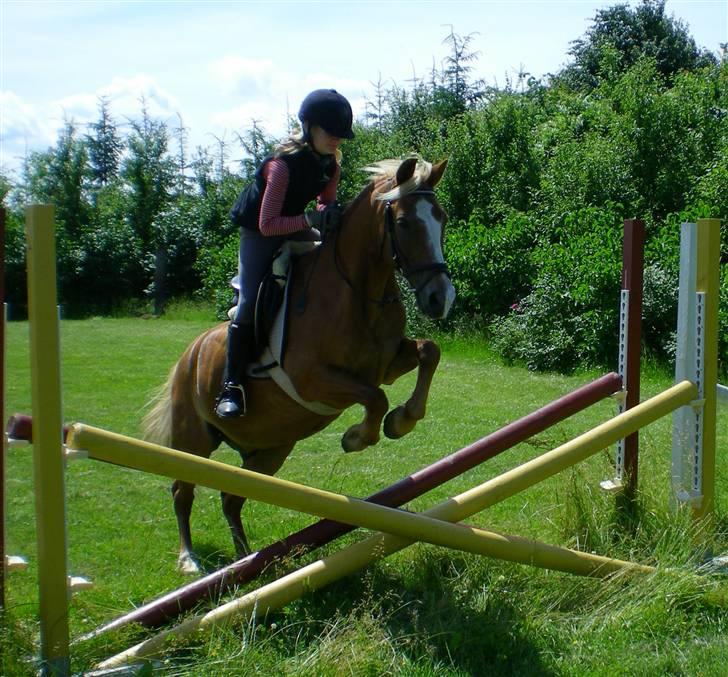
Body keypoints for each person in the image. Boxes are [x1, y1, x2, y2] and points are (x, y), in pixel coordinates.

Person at [215, 89, 355, 418]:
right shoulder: (281, 166)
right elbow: (267, 224)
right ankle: (231, 385)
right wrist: (311, 217)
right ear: (308, 127)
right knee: (249, 300)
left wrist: (330, 212)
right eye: (329, 131)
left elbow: (324, 200)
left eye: (340, 134)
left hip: (291, 223)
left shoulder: (330, 165)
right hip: (259, 231)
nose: (336, 139)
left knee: (331, 256)